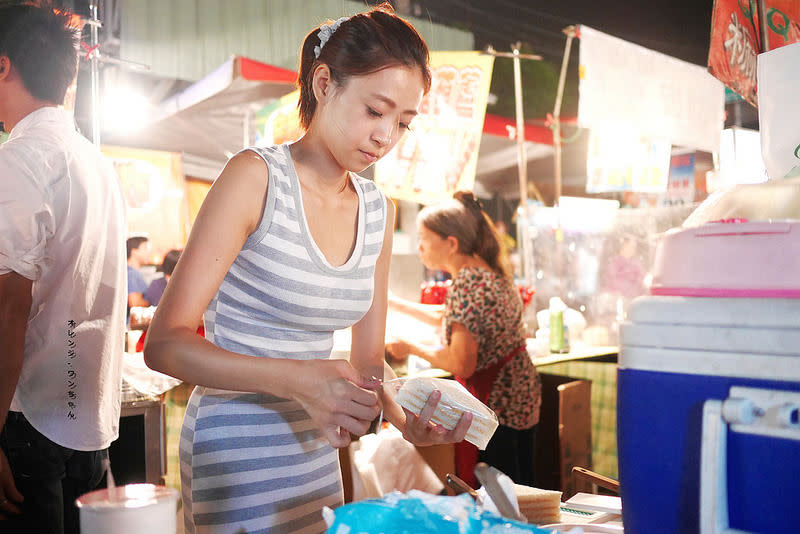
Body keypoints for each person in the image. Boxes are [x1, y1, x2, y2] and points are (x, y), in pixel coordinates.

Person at [143, 4, 470, 532]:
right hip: (235, 453)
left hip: (316, 454)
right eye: (375, 110)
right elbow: (165, 344)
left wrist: (406, 416)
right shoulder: (255, 178)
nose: (386, 136)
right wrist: (297, 379)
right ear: (324, 83)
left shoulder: (377, 212)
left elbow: (368, 366)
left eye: (403, 123)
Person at [0, 4, 127, 533]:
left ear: (3, 67)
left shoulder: (21, 158)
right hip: (90, 421)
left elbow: (9, 307)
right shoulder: (96, 163)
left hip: (29, 421)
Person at [385, 191, 542, 488]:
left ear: (451, 243)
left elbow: (461, 364)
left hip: (498, 404)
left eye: (424, 238)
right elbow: (450, 316)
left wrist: (408, 346)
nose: (419, 247)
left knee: (499, 496)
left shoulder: (466, 282)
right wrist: (393, 303)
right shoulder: (484, 273)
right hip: (519, 396)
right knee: (520, 490)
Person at [126, 235, 151, 309]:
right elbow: (134, 302)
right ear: (134, 252)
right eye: (145, 248)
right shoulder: (132, 273)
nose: (148, 252)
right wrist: (151, 303)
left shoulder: (128, 272)